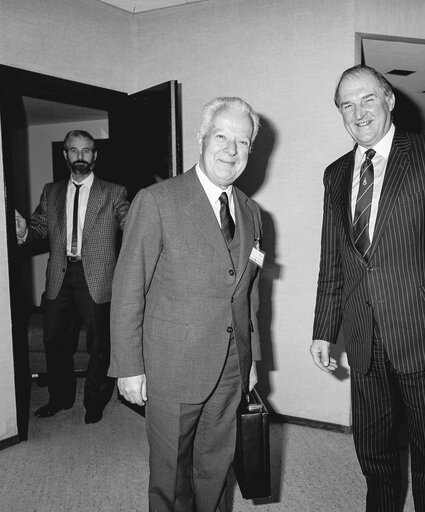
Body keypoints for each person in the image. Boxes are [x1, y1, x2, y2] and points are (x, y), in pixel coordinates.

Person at [310, 65, 425, 512]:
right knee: (374, 456)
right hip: (364, 338)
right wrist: (323, 329)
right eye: (346, 105)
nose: (358, 112)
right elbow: (333, 261)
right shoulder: (334, 175)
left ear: (389, 100)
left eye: (367, 99)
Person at [109, 97, 263, 512]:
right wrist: (128, 366)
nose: (231, 150)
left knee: (215, 470)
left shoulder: (251, 212)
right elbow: (128, 288)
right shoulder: (157, 201)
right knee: (171, 479)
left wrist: (251, 361)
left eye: (243, 142)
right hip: (172, 366)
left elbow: (249, 294)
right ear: (201, 139)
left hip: (232, 367)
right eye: (222, 136)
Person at [15, 130, 129, 424]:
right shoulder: (50, 191)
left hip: (98, 277)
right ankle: (60, 398)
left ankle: (95, 401)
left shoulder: (114, 192)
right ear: (65, 155)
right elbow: (39, 228)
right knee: (55, 341)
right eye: (74, 150)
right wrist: (24, 230)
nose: (80, 156)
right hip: (59, 276)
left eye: (87, 150)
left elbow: (132, 224)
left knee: (99, 346)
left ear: (95, 155)